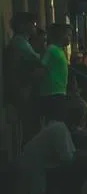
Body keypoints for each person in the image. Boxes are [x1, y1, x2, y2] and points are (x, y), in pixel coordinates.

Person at [18, 98, 87, 194]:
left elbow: (72, 153)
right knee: (83, 165)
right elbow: (68, 160)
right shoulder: (60, 129)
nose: (83, 122)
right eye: (82, 118)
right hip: (35, 177)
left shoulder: (60, 128)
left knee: (83, 162)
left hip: (37, 172)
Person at [4, 12, 46, 149]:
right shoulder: (19, 43)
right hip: (24, 92)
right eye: (33, 24)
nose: (35, 27)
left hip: (25, 91)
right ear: (23, 26)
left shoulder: (23, 42)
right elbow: (37, 62)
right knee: (29, 130)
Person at [38, 23, 72, 123]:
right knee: (55, 122)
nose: (70, 38)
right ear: (60, 35)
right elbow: (41, 66)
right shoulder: (51, 49)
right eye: (68, 35)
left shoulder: (59, 50)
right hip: (52, 92)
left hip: (59, 91)